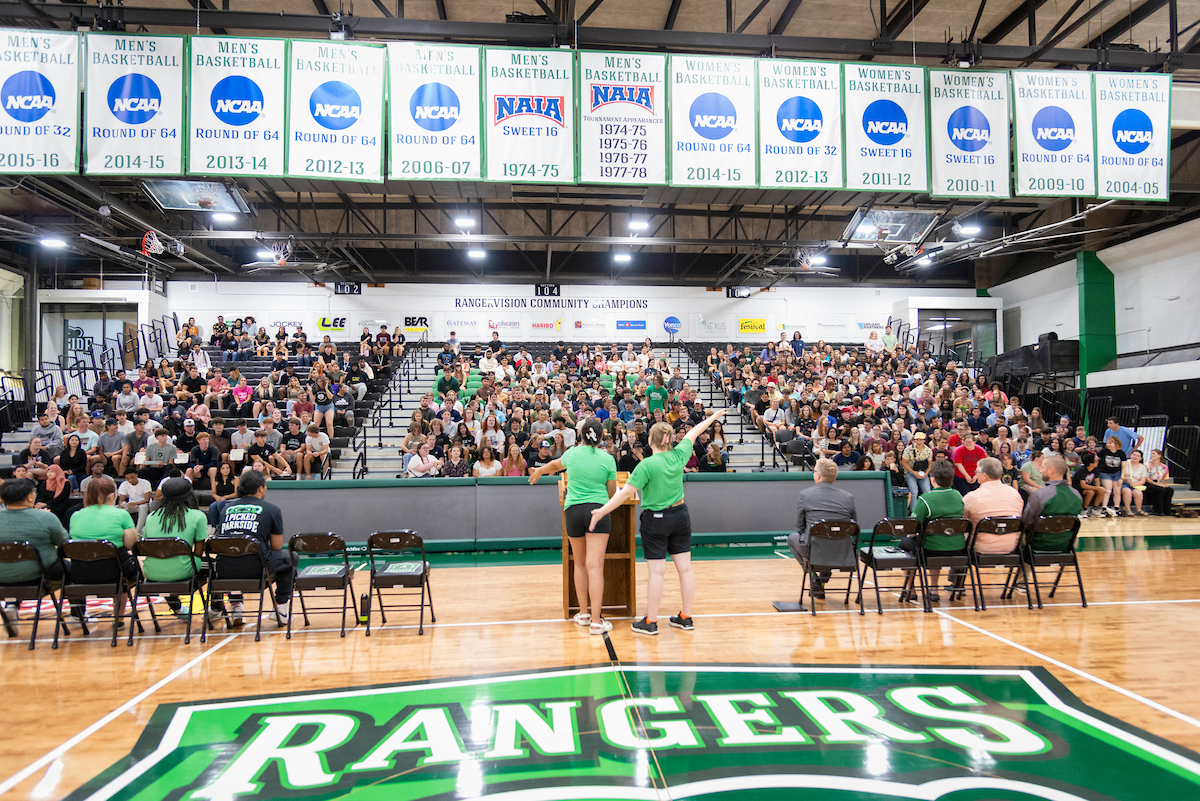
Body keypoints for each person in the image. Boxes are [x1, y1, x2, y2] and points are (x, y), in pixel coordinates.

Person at [587, 409, 727, 636]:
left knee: (657, 573)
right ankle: (686, 617)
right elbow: (693, 432)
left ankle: (651, 622)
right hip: (680, 515)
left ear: (650, 440)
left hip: (656, 520)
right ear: (670, 438)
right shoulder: (680, 454)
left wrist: (601, 511)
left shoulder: (646, 465)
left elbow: (623, 494)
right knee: (685, 569)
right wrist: (712, 418)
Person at [529, 419, 618, 634]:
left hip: (573, 511)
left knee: (578, 564)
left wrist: (538, 473)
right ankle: (597, 622)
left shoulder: (571, 454)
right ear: (600, 436)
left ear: (581, 435)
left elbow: (553, 465)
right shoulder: (608, 459)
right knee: (594, 566)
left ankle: (584, 613)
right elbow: (612, 493)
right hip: (597, 511)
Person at [213, 470, 295, 626]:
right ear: (260, 488)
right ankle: (281, 608)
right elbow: (277, 546)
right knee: (290, 558)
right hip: (257, 569)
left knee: (234, 557)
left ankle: (237, 606)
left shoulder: (225, 510)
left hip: (225, 570)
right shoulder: (272, 509)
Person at [786, 457, 858, 600]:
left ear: (818, 475)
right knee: (830, 539)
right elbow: (853, 525)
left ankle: (813, 577)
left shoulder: (805, 495)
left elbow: (800, 526)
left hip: (815, 547)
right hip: (843, 550)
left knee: (792, 538)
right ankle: (823, 578)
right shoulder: (848, 497)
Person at [140, 478, 209, 614]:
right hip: (183, 571)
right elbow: (199, 552)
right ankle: (216, 608)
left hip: (152, 572)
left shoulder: (151, 516)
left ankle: (176, 608)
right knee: (212, 566)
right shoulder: (197, 516)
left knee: (166, 557)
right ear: (190, 496)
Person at [903, 460, 966, 603]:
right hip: (958, 548)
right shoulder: (959, 496)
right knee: (936, 538)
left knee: (907, 545)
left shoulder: (926, 498)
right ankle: (934, 589)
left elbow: (914, 526)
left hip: (931, 549)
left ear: (932, 479)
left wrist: (911, 536)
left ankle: (910, 588)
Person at [68, 476, 139, 586]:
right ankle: (120, 599)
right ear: (112, 496)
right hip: (114, 572)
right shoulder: (121, 514)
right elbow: (131, 544)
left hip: (80, 572)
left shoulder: (75, 516)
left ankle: (78, 603)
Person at [0, 478, 68, 589]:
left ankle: (13, 603)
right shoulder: (45, 517)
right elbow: (63, 542)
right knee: (71, 568)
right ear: (29, 497)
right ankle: (76, 605)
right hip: (36, 576)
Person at [962, 457, 1024, 554]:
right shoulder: (1015, 494)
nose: (976, 474)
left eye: (977, 472)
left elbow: (962, 521)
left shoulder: (972, 497)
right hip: (1011, 546)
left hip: (981, 548)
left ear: (984, 475)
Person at [1021, 455, 1083, 532]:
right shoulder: (1076, 495)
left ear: (1051, 470)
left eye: (1042, 467)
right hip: (1066, 542)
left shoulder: (1039, 495)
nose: (1040, 470)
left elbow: (1026, 523)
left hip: (1039, 542)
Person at [900, 432, 931, 513]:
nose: (919, 442)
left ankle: (926, 510)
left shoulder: (928, 450)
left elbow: (930, 464)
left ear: (924, 440)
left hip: (923, 472)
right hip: (910, 472)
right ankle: (914, 512)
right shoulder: (908, 450)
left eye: (921, 440)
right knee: (914, 492)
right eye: (917, 440)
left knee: (927, 491)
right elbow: (904, 462)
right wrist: (913, 472)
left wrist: (926, 474)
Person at [1095, 436, 1126, 518]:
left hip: (1117, 473)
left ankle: (1117, 508)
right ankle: (1104, 508)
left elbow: (1123, 467)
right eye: (1107, 443)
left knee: (1117, 491)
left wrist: (1122, 478)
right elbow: (1096, 460)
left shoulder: (1121, 453)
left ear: (1116, 443)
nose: (1108, 444)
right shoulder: (1103, 451)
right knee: (1108, 489)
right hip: (1105, 472)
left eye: (1110, 443)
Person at [117, 467, 153, 533]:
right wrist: (122, 504)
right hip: (131, 504)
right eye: (128, 479)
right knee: (115, 507)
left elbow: (146, 499)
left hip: (143, 504)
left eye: (132, 477)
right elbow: (122, 499)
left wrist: (135, 503)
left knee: (143, 507)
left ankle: (138, 531)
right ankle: (121, 529)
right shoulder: (124, 484)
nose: (130, 480)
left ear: (136, 475)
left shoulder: (145, 483)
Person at [1072, 453, 1104, 518]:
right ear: (1091, 463)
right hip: (1078, 488)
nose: (1098, 461)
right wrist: (1097, 488)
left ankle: (1095, 509)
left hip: (1089, 486)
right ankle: (1084, 510)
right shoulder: (1081, 470)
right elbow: (1083, 486)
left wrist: (1099, 488)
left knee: (1101, 491)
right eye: (1096, 461)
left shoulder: (1096, 469)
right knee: (1090, 492)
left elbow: (1097, 481)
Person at [1120, 449, 1151, 516]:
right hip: (1124, 483)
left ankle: (1139, 510)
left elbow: (1143, 480)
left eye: (1138, 456)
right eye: (1134, 455)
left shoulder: (1143, 467)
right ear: (1130, 455)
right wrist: (1125, 479)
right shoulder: (1125, 463)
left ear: (1141, 458)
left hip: (1135, 484)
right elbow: (1119, 475)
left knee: (1138, 493)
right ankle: (1127, 509)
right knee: (1127, 491)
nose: (1135, 457)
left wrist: (1134, 484)